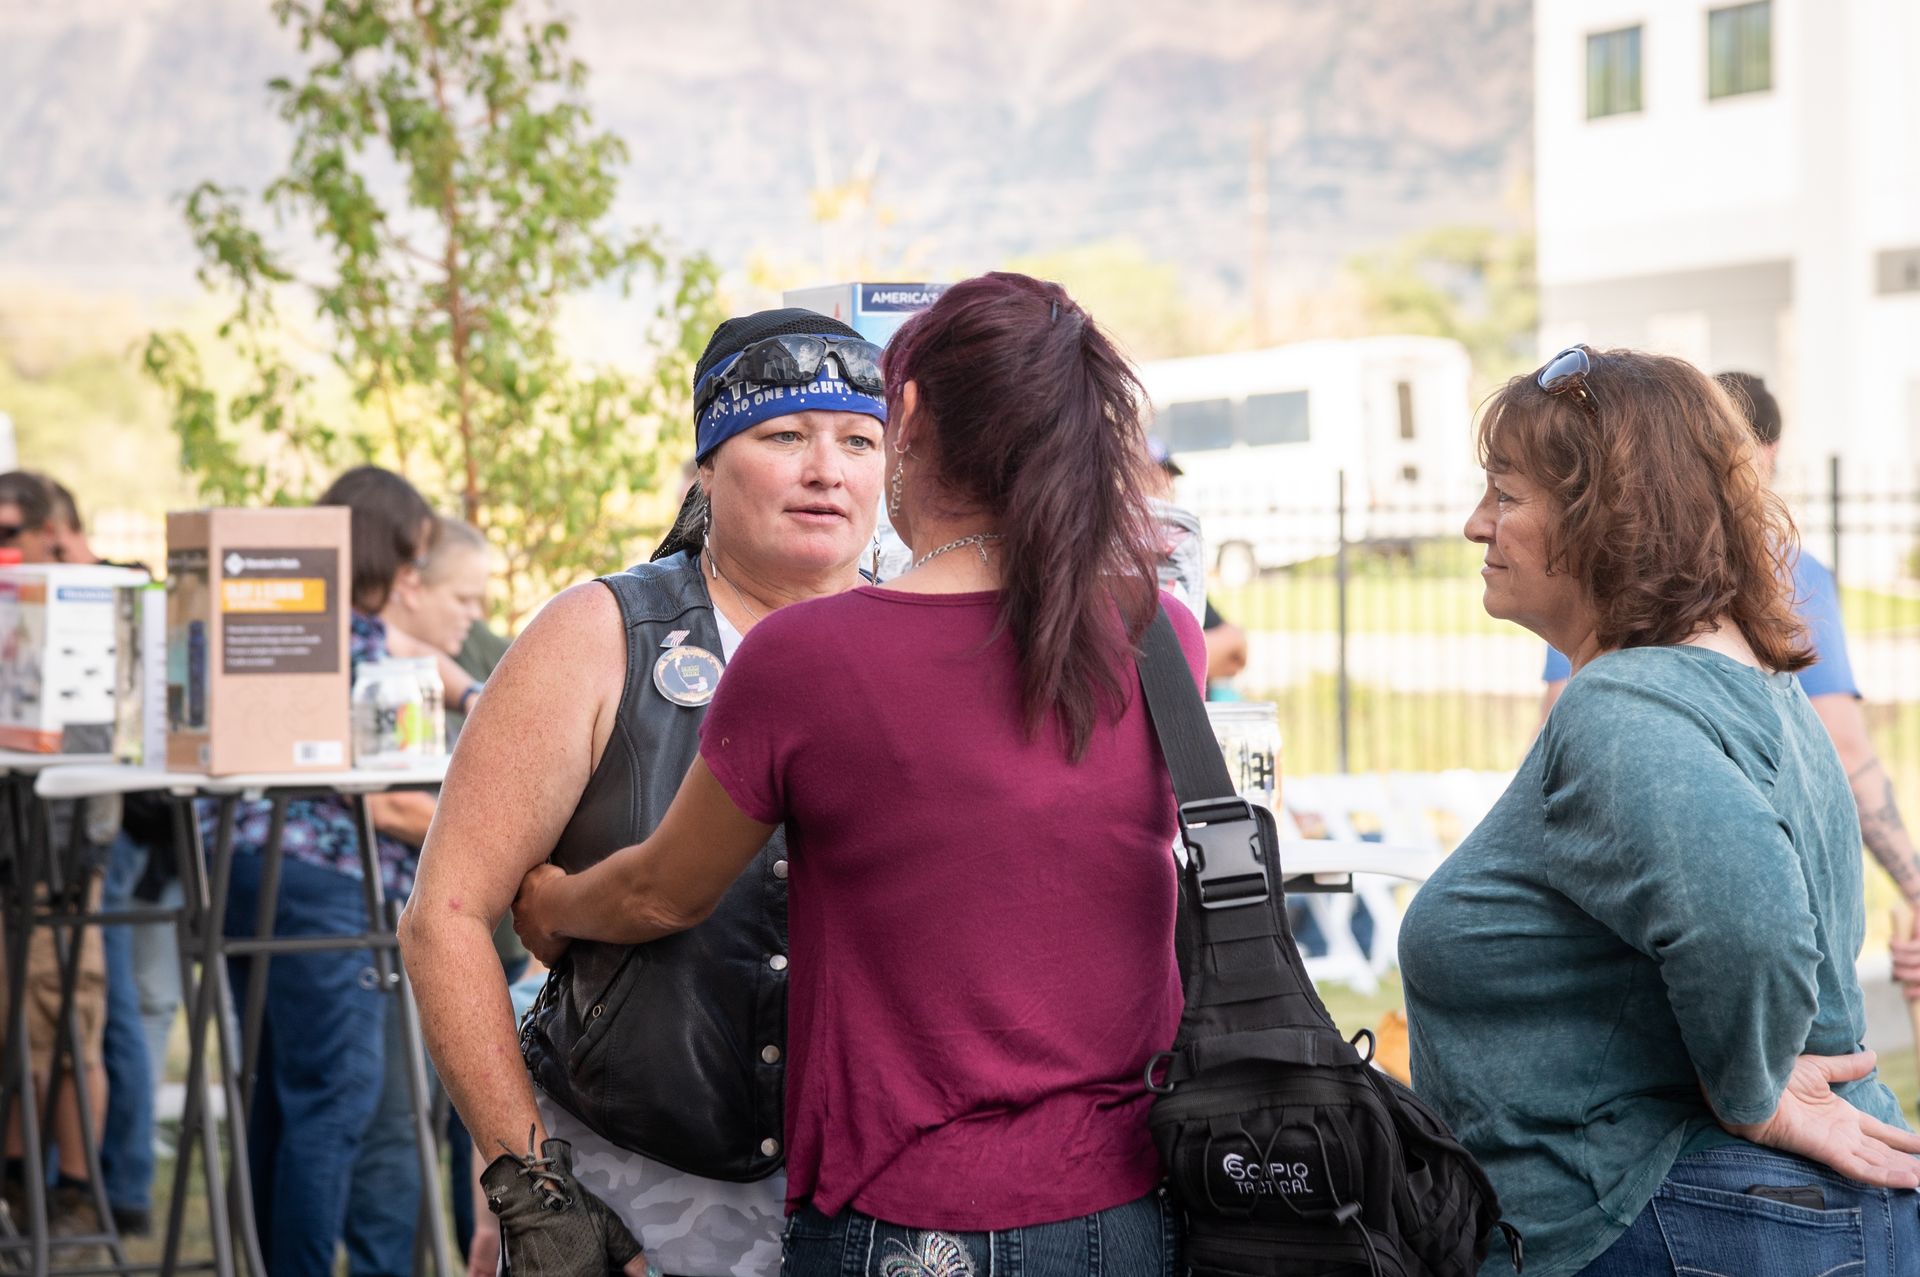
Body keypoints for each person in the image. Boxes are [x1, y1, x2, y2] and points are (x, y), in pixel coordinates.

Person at [509, 272, 1202, 1274]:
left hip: (904, 1217)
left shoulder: (813, 656)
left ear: (906, 414)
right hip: (1123, 1213)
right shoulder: (1162, 637)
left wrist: (557, 903)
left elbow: (665, 890)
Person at [1400, 346, 1920, 1276]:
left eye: (1507, 495)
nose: (1477, 524)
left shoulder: (1624, 708)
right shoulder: (1746, 687)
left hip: (1689, 1227)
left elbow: (1747, 922)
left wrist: (1755, 1092)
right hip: (1765, 1223)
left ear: (1609, 515)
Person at [399, 307, 894, 1277]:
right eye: (784, 434)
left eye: (859, 439)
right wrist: (532, 1187)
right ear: (707, 463)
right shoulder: (601, 634)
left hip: (879, 1190)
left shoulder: (925, 640)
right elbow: (445, 916)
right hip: (639, 1180)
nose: (826, 468)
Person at [1538, 371, 1920, 1004]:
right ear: (1761, 455)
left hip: (1603, 903)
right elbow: (1846, 750)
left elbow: (1553, 739)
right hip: (1737, 908)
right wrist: (1912, 885)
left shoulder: (1598, 565)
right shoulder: (1784, 568)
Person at [216, 465, 439, 1277]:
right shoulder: (360, 644)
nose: (413, 575)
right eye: (411, 556)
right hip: (327, 877)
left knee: (275, 1091)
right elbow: (382, 795)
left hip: (246, 864)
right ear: (385, 551)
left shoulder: (287, 623)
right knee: (334, 1100)